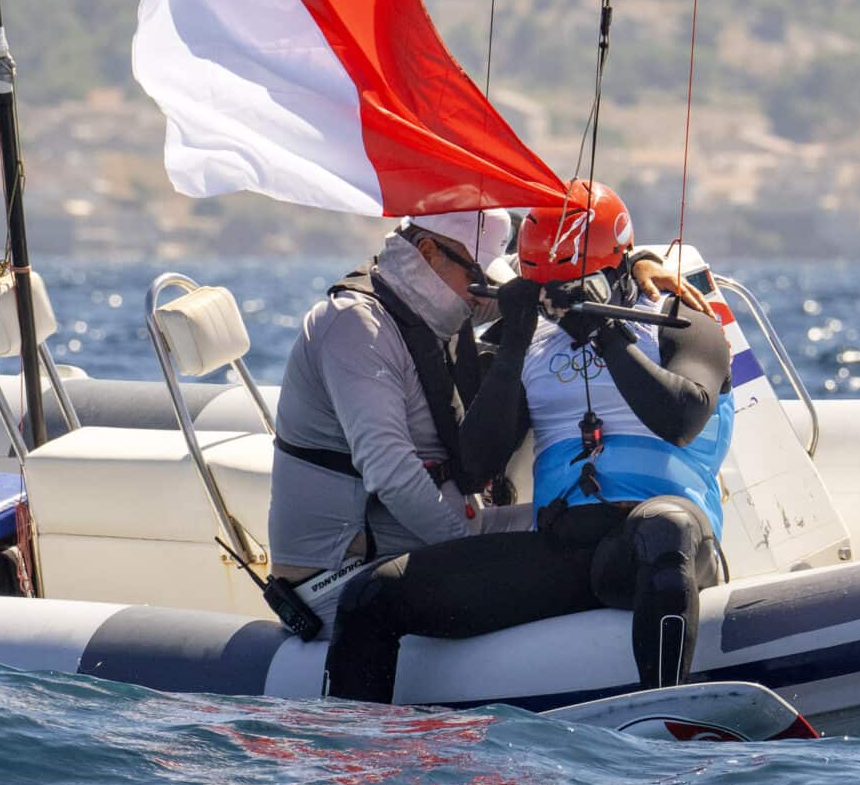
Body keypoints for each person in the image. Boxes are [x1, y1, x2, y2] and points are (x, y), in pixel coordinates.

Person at [323, 180, 734, 702]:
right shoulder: (532, 345)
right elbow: (476, 464)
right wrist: (515, 339)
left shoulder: (680, 323)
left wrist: (605, 335)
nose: (559, 305)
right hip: (568, 550)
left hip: (662, 544)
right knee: (371, 595)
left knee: (663, 528)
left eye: (575, 285)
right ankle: (354, 755)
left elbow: (681, 419)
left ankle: (668, 715)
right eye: (548, 289)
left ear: (617, 267)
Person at [266, 209, 525, 583]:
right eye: (477, 276)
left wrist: (633, 264)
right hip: (341, 574)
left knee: (573, 530)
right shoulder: (355, 326)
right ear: (428, 251)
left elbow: (524, 284)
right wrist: (471, 554)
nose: (481, 292)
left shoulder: (434, 298)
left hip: (433, 532)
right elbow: (392, 472)